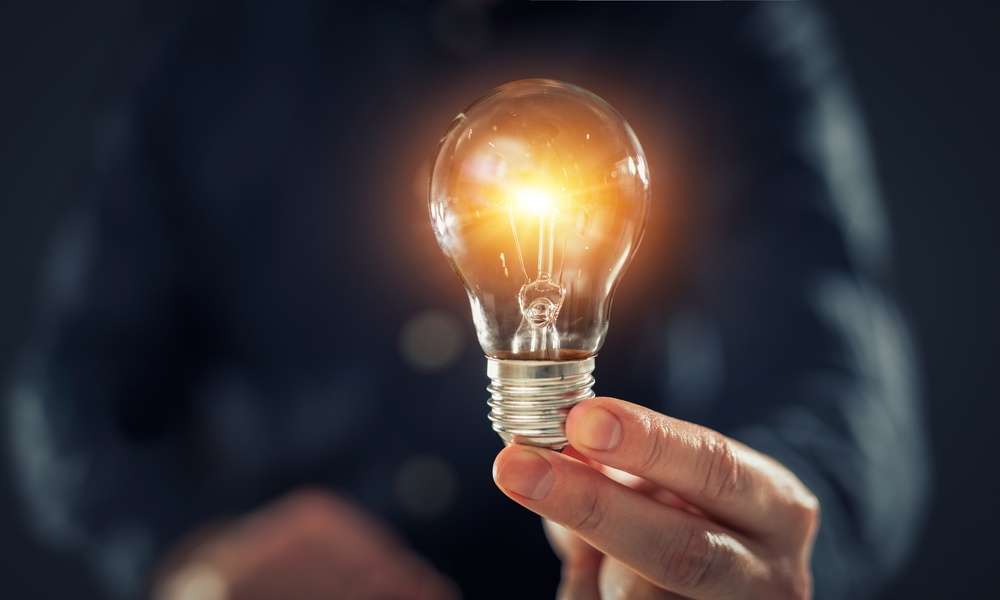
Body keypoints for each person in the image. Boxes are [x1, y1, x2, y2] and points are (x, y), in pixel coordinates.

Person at [7, 1, 928, 598]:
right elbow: (73, 387)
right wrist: (195, 558)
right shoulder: (211, 38)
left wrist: (735, 541)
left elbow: (836, 365)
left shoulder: (718, 27)